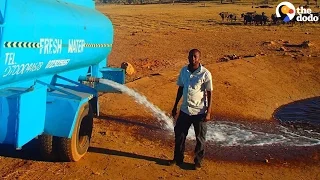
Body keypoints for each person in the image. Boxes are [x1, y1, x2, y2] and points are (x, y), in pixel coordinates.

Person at [168, 49, 213, 170]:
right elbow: (180, 88)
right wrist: (175, 106)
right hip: (185, 110)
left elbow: (209, 93)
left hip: (200, 112)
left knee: (200, 138)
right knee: (180, 135)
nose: (192, 58)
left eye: (195, 56)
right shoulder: (184, 71)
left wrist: (208, 112)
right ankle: (178, 159)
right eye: (190, 56)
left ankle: (198, 161)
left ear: (199, 58)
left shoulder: (205, 74)